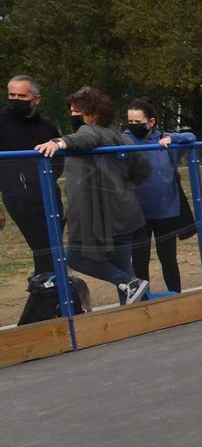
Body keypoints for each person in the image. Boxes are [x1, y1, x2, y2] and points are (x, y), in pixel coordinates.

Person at [31, 87, 150, 305]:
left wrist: (57, 143)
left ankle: (130, 286)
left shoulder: (91, 131)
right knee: (124, 269)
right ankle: (135, 308)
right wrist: (123, 185)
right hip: (125, 214)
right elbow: (142, 169)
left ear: (93, 114)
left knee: (77, 257)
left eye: (77, 111)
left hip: (104, 216)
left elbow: (83, 138)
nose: (73, 115)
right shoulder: (121, 137)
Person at [121, 99, 194, 296]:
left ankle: (175, 294)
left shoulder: (163, 138)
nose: (133, 125)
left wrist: (173, 140)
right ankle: (142, 299)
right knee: (139, 260)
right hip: (138, 214)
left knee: (168, 258)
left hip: (166, 210)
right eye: (130, 121)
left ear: (151, 122)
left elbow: (191, 136)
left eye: (138, 121)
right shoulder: (124, 140)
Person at [0, 75, 63, 282]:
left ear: (36, 99)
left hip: (49, 196)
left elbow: (58, 163)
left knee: (53, 252)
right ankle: (43, 298)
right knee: (44, 250)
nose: (16, 99)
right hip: (19, 199)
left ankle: (48, 296)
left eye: (22, 95)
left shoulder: (46, 127)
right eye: (12, 95)